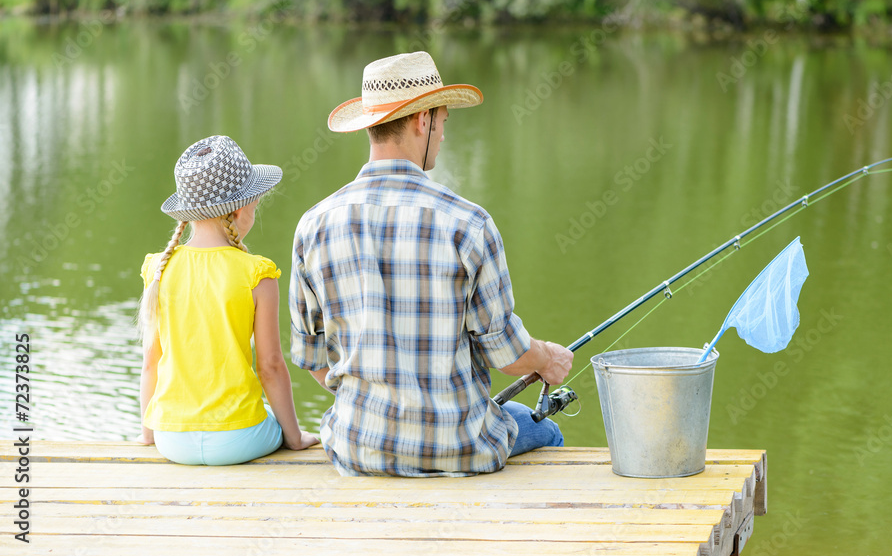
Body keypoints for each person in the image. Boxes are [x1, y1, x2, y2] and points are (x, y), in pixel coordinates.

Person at [290, 51, 574, 477]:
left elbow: (313, 358)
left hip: (356, 448)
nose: (442, 136)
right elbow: (508, 355)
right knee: (546, 432)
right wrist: (547, 358)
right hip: (460, 449)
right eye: (442, 122)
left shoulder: (314, 225)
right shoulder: (468, 224)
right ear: (422, 121)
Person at [137, 135, 317, 465]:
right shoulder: (257, 274)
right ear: (239, 210)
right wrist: (294, 438)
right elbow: (271, 367)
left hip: (171, 440)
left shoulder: (159, 269)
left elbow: (151, 361)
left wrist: (150, 434)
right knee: (265, 414)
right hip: (237, 440)